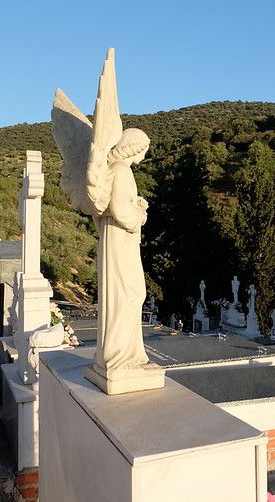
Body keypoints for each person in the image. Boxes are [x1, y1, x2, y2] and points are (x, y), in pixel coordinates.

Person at [93, 128, 152, 374]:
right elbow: (122, 211)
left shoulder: (112, 170)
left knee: (124, 293)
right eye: (143, 151)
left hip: (114, 238)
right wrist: (140, 213)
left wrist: (135, 204)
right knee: (130, 293)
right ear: (135, 148)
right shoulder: (122, 170)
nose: (143, 157)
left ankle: (123, 352)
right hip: (121, 240)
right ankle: (120, 355)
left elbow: (105, 208)